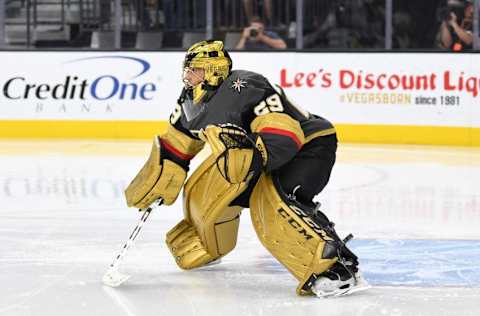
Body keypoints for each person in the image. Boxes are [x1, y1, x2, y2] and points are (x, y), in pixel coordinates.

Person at [124, 40, 368, 297]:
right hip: (259, 155)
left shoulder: (245, 86)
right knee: (211, 189)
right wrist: (163, 173)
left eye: (195, 70)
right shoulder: (189, 101)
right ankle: (210, 245)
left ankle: (338, 267)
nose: (188, 76)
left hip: (308, 145)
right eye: (188, 69)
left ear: (213, 70)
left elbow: (284, 133)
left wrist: (253, 152)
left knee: (273, 200)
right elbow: (178, 143)